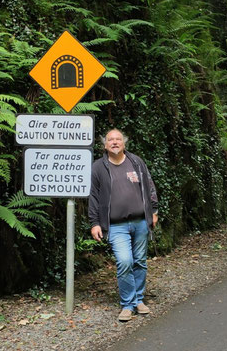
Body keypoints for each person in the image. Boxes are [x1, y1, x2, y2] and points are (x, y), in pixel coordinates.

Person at [88, 128, 159, 322]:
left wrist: (154, 210)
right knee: (125, 261)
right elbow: (93, 197)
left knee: (140, 261)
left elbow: (150, 186)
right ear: (105, 145)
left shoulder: (136, 162)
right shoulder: (98, 168)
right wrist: (94, 223)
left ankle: (139, 300)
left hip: (140, 222)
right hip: (116, 225)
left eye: (118, 139)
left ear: (124, 143)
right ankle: (128, 304)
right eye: (110, 140)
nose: (114, 142)